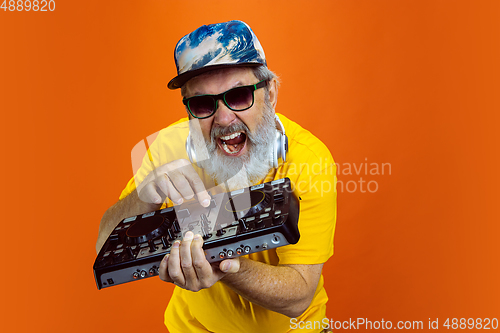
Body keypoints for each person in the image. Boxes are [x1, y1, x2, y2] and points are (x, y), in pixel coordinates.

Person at [96, 20, 337, 333]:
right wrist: (146, 193)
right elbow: (104, 244)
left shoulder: (308, 160)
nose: (224, 118)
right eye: (202, 103)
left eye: (238, 96)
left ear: (271, 92)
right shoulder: (170, 149)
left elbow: (299, 295)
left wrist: (222, 263)